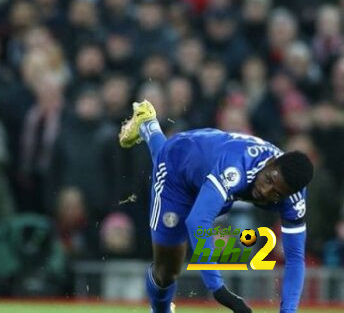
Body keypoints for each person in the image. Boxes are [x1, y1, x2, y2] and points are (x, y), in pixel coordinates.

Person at [119, 100, 313, 313]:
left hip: (212, 171)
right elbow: (197, 221)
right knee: (167, 268)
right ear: (269, 163)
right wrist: (220, 291)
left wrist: (289, 311)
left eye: (277, 193)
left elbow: (295, 258)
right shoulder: (237, 168)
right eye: (268, 181)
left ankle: (148, 123)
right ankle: (161, 310)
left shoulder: (293, 198)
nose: (266, 192)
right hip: (177, 174)